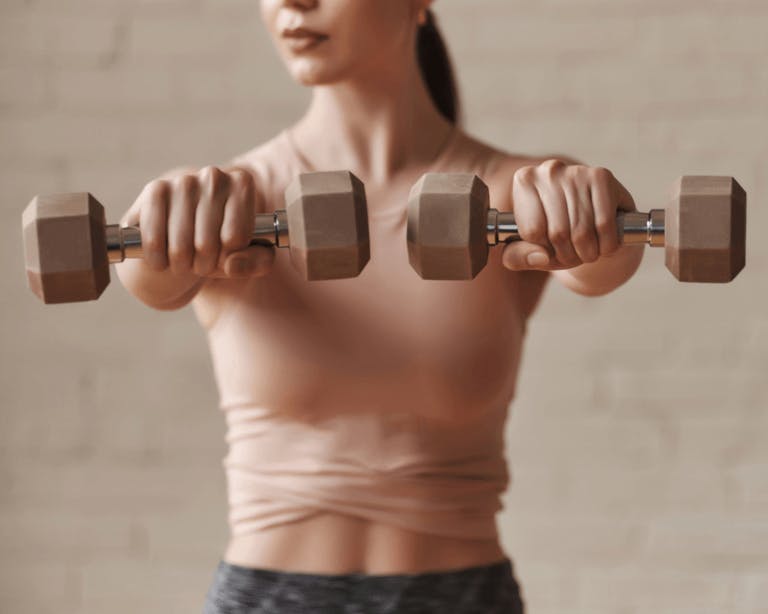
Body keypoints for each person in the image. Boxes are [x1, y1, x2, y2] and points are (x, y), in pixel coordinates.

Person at [116, 1, 644, 612]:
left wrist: (597, 209)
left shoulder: (516, 195)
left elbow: (603, 265)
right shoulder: (222, 208)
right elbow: (147, 276)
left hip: (462, 596)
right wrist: (153, 240)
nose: (292, 1)